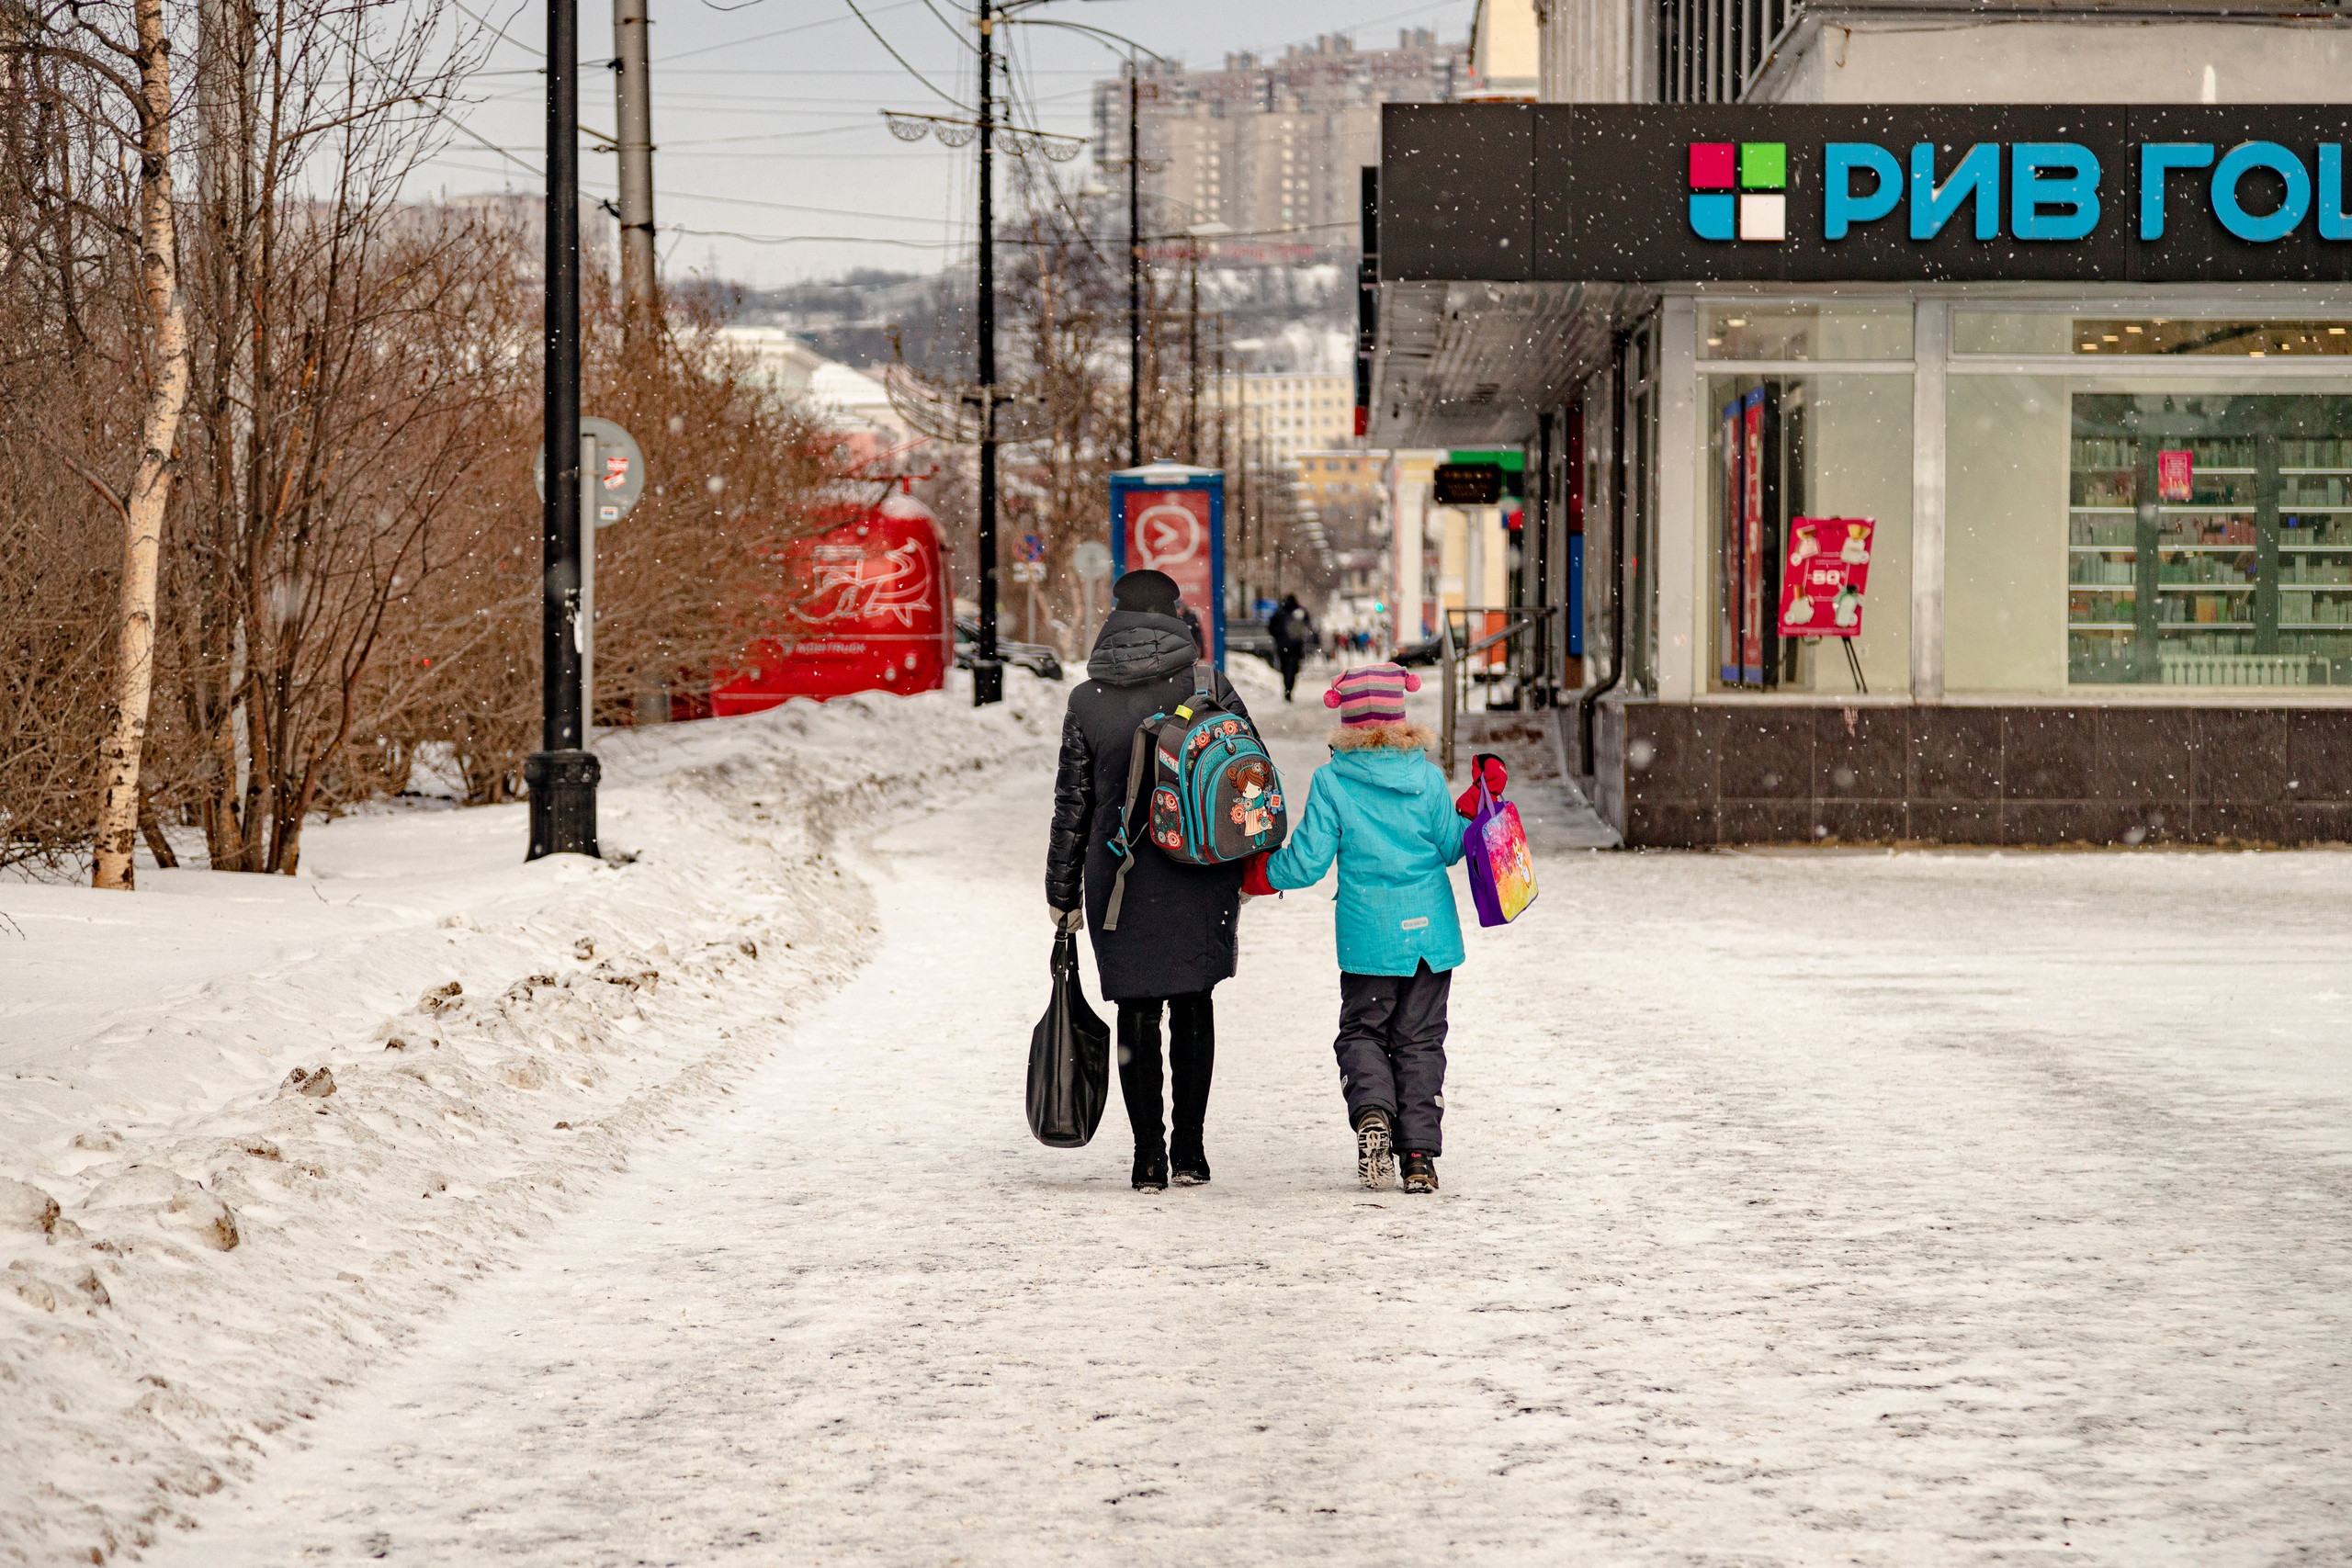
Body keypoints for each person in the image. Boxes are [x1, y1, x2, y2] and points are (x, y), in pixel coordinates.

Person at [1242, 664, 1502, 1196]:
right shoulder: (1426, 777)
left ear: (1347, 719)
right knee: (1421, 1042)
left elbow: (1309, 862)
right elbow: (1454, 846)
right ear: (1400, 716)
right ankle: (1419, 1158)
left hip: (1369, 939)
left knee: (1363, 1033)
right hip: (1431, 937)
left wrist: (1261, 874)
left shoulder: (1332, 781)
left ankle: (1373, 1116)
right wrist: (1472, 807)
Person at [1046, 570, 1252, 1192]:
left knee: (1137, 1008)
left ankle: (1147, 1159)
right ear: (1174, 613)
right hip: (1199, 863)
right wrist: (1249, 867)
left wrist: (1062, 892)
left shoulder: (1087, 701)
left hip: (1118, 877)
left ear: (1114, 616)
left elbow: (1072, 804)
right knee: (1193, 1001)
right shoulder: (1209, 684)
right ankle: (1189, 1150)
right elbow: (1248, 775)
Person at [1266, 592, 1315, 702]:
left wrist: (1279, 637)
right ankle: (1289, 689)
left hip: (1282, 646)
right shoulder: (1299, 612)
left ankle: (1287, 688)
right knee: (1292, 669)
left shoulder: (1279, 612)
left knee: (1284, 668)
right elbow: (1307, 625)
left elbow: (1270, 627)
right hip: (1296, 646)